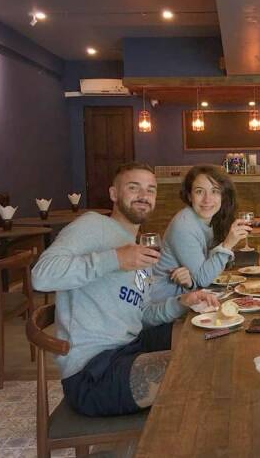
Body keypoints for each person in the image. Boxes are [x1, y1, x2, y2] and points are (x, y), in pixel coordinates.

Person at [32, 162, 219, 416]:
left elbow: (142, 314)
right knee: (201, 367)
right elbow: (41, 276)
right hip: (93, 370)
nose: (144, 195)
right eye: (133, 187)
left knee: (213, 337)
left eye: (150, 190)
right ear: (114, 194)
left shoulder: (139, 246)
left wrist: (182, 302)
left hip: (133, 344)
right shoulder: (92, 225)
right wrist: (115, 259)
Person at [152, 165, 250, 300]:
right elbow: (203, 279)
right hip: (165, 303)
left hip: (189, 297)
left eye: (214, 191)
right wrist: (227, 245)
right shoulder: (184, 225)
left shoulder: (212, 219)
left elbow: (206, 273)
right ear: (189, 196)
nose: (207, 199)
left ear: (223, 195)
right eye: (199, 191)